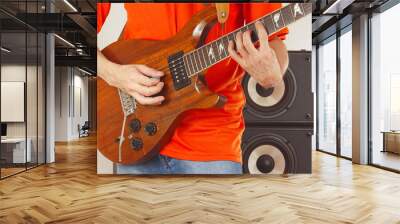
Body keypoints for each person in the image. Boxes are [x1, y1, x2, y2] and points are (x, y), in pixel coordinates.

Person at [97, 3, 289, 174]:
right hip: (136, 125)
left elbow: (273, 38)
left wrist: (273, 74)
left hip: (212, 138)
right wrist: (113, 73)